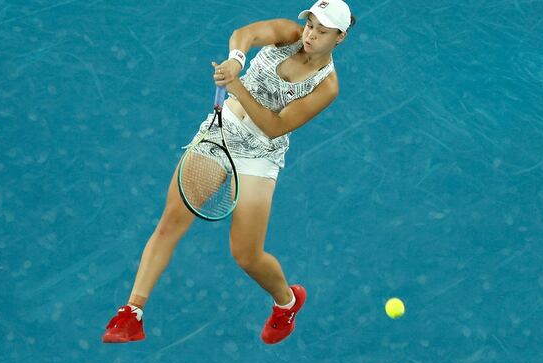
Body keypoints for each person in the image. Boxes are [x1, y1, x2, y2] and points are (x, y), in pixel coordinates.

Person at [102, 0, 355, 345]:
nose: (310, 35)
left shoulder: (327, 86)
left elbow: (273, 126)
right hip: (223, 130)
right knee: (171, 221)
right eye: (310, 25)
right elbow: (246, 34)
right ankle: (133, 313)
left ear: (339, 37)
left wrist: (237, 86)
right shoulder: (288, 34)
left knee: (246, 255)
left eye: (322, 31)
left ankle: (287, 301)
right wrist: (237, 60)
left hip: (259, 156)